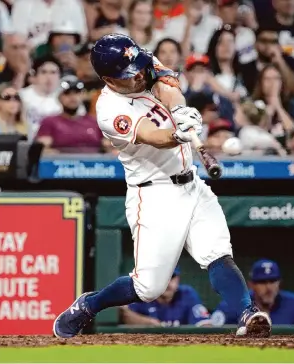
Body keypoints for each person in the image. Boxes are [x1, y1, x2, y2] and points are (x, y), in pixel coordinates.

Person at [53, 33, 271, 339]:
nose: (139, 74)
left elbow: (167, 86)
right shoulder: (108, 110)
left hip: (192, 183)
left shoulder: (139, 61)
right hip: (154, 194)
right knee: (148, 287)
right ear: (108, 78)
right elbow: (152, 135)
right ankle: (90, 305)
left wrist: (181, 111)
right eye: (129, 74)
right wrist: (177, 135)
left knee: (217, 252)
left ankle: (247, 314)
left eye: (138, 66)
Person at [211, 259, 294, 326]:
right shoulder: (233, 305)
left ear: (280, 283)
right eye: (262, 282)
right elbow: (210, 331)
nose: (268, 287)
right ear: (251, 285)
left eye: (272, 281)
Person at [35, 75, 107, 154]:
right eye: (67, 93)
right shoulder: (50, 122)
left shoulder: (95, 122)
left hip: (95, 165)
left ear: (82, 96)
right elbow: (41, 149)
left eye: (76, 93)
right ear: (59, 97)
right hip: (62, 164)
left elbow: (109, 147)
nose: (72, 97)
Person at [121, 267, 211, 327]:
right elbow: (125, 314)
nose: (167, 283)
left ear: (178, 279)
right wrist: (148, 323)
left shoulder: (187, 294)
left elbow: (205, 325)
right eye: (162, 278)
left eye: (171, 277)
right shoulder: (142, 294)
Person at [237, 26, 294, 97]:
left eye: (273, 42)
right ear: (255, 44)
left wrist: (281, 63)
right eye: (264, 41)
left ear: (279, 45)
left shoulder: (292, 62)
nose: (268, 45)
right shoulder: (246, 68)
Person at [11, 0, 87, 49]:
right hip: (33, 52)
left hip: (63, 51)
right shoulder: (23, 4)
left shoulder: (71, 4)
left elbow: (81, 37)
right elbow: (18, 38)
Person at [19, 55, 63, 139]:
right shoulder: (22, 96)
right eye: (43, 72)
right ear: (34, 76)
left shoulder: (66, 97)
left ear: (59, 76)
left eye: (53, 72)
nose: (49, 77)